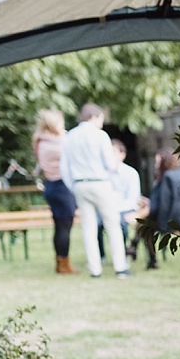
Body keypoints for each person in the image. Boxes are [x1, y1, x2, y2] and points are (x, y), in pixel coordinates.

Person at [60, 103, 129, 278]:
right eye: (101, 119)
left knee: (88, 228)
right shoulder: (100, 136)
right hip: (100, 183)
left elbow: (64, 167)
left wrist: (73, 186)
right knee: (113, 225)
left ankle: (95, 269)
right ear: (94, 117)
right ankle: (120, 267)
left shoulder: (70, 136)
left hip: (80, 184)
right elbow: (110, 163)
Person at [32, 110, 76, 274]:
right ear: (53, 125)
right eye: (60, 123)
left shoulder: (41, 141)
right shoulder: (57, 142)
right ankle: (64, 264)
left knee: (59, 227)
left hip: (50, 185)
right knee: (65, 227)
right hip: (62, 187)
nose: (63, 126)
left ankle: (60, 262)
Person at [141, 151, 180, 270]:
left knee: (145, 226)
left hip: (175, 220)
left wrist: (161, 223)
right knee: (144, 222)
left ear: (164, 163)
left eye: (157, 162)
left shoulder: (167, 177)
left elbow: (163, 204)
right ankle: (134, 245)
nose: (155, 165)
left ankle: (151, 259)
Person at [103, 138, 143, 263]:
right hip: (105, 208)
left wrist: (116, 209)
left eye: (114, 151)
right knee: (97, 223)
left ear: (122, 154)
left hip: (125, 208)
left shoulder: (131, 173)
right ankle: (101, 256)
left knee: (121, 224)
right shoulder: (103, 173)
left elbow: (133, 199)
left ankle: (122, 254)